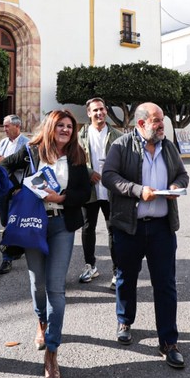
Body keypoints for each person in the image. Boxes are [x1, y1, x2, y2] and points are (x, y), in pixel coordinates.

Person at [0, 110, 91, 378]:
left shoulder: (77, 155)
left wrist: (61, 197)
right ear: (51, 127)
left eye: (69, 126)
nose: (65, 130)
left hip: (63, 224)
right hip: (34, 225)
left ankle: (52, 351)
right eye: (60, 125)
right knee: (37, 283)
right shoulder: (31, 151)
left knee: (56, 289)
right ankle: (41, 321)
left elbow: (84, 192)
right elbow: (2, 167)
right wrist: (18, 189)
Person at [102, 102, 189, 369]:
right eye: (156, 121)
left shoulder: (169, 146)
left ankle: (168, 342)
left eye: (162, 120)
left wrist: (176, 186)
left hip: (162, 227)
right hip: (130, 227)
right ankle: (125, 320)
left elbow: (183, 175)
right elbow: (109, 177)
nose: (162, 125)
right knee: (126, 277)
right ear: (141, 124)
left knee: (165, 284)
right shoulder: (121, 146)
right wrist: (137, 190)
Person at [76, 97, 121, 287]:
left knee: (114, 230)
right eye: (95, 110)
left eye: (102, 109)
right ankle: (90, 266)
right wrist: (88, 173)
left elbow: (124, 162)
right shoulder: (80, 135)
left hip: (111, 191)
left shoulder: (117, 135)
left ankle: (117, 271)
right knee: (88, 228)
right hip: (90, 190)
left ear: (106, 111)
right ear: (89, 113)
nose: (99, 113)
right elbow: (74, 159)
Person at [0, 114, 29, 275]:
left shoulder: (26, 143)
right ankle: (17, 248)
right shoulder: (3, 142)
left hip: (17, 188)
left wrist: (5, 161)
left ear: (17, 126)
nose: (4, 129)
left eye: (7, 126)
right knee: (4, 219)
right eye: (4, 126)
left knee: (12, 223)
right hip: (3, 188)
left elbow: (27, 168)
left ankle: (6, 258)